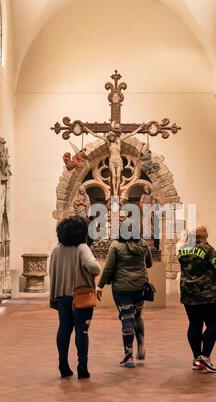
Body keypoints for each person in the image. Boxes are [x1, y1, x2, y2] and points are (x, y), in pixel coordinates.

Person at [49, 216, 101, 379]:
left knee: (64, 329)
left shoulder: (57, 249)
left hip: (62, 296)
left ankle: (63, 363)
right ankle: (82, 366)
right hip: (81, 297)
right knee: (82, 332)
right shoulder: (82, 247)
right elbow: (94, 267)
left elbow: (52, 272)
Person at [97, 219, 153, 368]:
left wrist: (100, 286)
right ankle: (141, 345)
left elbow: (109, 268)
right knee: (138, 316)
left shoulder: (115, 245)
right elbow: (149, 264)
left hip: (121, 289)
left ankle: (128, 357)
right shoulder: (143, 245)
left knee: (127, 318)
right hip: (140, 287)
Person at [178, 226, 216, 373]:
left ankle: (196, 358)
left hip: (188, 293)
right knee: (214, 323)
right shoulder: (206, 249)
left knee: (194, 324)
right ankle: (204, 357)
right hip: (207, 293)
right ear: (204, 236)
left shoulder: (183, 248)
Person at [85, 122, 145, 196]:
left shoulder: (119, 141)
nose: (111, 138)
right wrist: (88, 130)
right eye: (109, 137)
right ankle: (114, 191)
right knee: (113, 175)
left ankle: (117, 189)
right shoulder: (108, 143)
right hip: (112, 160)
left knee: (118, 176)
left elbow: (130, 134)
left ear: (113, 136)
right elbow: (96, 135)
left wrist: (139, 128)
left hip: (119, 160)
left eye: (111, 136)